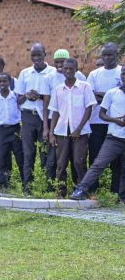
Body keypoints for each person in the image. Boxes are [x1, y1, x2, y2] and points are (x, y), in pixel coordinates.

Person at [71, 65, 125, 203]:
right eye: (123, 73)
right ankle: (81, 189)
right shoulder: (112, 93)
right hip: (114, 138)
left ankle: (122, 197)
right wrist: (115, 120)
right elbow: (102, 114)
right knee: (98, 164)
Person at [47, 58, 95, 197]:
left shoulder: (84, 86)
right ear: (62, 70)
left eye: (71, 69)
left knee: (79, 162)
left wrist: (79, 129)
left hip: (80, 132)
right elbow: (55, 112)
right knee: (61, 164)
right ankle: (61, 192)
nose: (68, 71)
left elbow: (88, 109)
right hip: (61, 131)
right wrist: (51, 133)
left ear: (76, 69)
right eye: (65, 68)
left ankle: (81, 191)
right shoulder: (58, 89)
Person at [16, 44, 55, 192]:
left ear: (45, 54)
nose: (36, 58)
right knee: (28, 152)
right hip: (28, 117)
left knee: (45, 152)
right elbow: (18, 100)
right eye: (33, 55)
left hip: (45, 118)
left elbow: (54, 98)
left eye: (39, 55)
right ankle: (28, 187)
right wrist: (27, 95)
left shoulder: (51, 72)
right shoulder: (25, 73)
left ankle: (47, 186)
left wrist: (39, 97)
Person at [85, 43, 122, 194]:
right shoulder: (94, 74)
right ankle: (92, 190)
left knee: (117, 160)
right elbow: (90, 96)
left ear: (116, 55)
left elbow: (117, 95)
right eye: (104, 55)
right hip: (97, 122)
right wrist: (108, 96)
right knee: (95, 157)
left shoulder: (121, 72)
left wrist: (104, 96)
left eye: (110, 55)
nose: (106, 58)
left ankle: (116, 191)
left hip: (117, 123)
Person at [0, 72, 23, 191]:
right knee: (0, 158)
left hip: (15, 129)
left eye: (5, 81)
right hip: (1, 131)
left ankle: (25, 184)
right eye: (0, 81)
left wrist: (22, 129)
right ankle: (2, 184)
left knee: (20, 157)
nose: (2, 84)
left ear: (9, 82)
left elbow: (21, 113)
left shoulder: (16, 97)